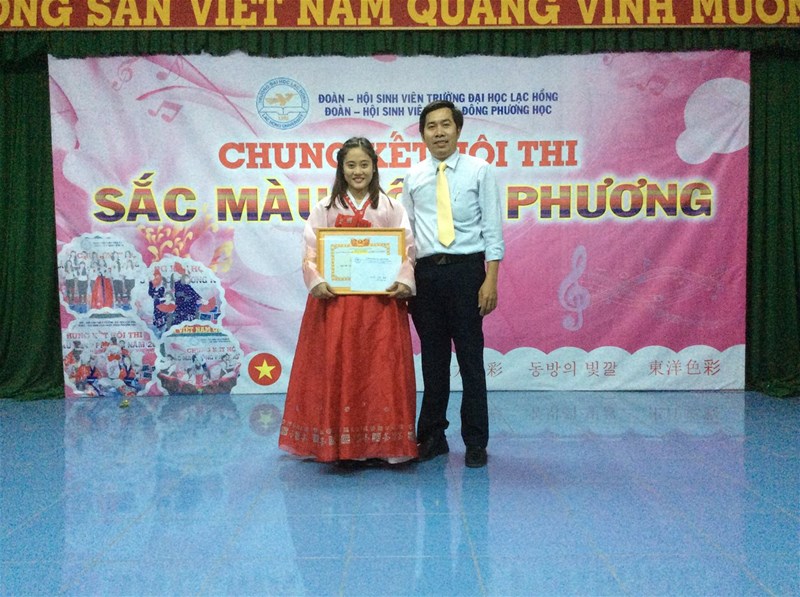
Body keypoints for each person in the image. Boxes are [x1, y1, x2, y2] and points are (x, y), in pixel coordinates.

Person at [279, 137, 418, 465]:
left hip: (380, 307)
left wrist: (403, 279)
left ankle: (385, 446)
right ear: (341, 168)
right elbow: (310, 249)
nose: (358, 171)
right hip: (336, 305)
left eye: (364, 164)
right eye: (351, 165)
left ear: (374, 167)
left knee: (379, 371)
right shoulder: (325, 207)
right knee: (339, 368)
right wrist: (317, 280)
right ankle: (340, 446)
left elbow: (407, 248)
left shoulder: (391, 207)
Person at [401, 100, 505, 468]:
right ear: (422, 134)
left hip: (467, 273)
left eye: (446, 125)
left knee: (471, 360)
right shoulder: (413, 177)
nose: (439, 132)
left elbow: (492, 229)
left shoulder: (480, 170)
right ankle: (433, 436)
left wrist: (490, 279)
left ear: (458, 130)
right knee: (433, 361)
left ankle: (475, 441)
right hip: (426, 276)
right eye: (431, 126)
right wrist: (406, 280)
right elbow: (407, 235)